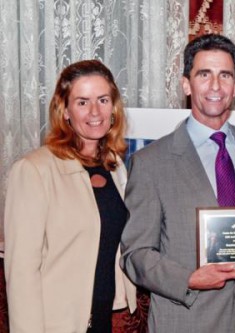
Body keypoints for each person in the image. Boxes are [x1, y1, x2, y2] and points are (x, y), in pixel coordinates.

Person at [120, 34, 235, 332]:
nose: (215, 86)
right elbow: (135, 254)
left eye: (224, 75)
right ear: (186, 84)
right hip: (186, 319)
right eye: (204, 74)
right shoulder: (150, 162)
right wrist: (188, 278)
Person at [4, 60, 137, 332]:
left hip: (101, 319)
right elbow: (20, 274)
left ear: (114, 107)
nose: (95, 112)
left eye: (102, 100)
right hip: (55, 324)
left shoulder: (116, 166)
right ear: (64, 110)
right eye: (82, 102)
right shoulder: (33, 170)